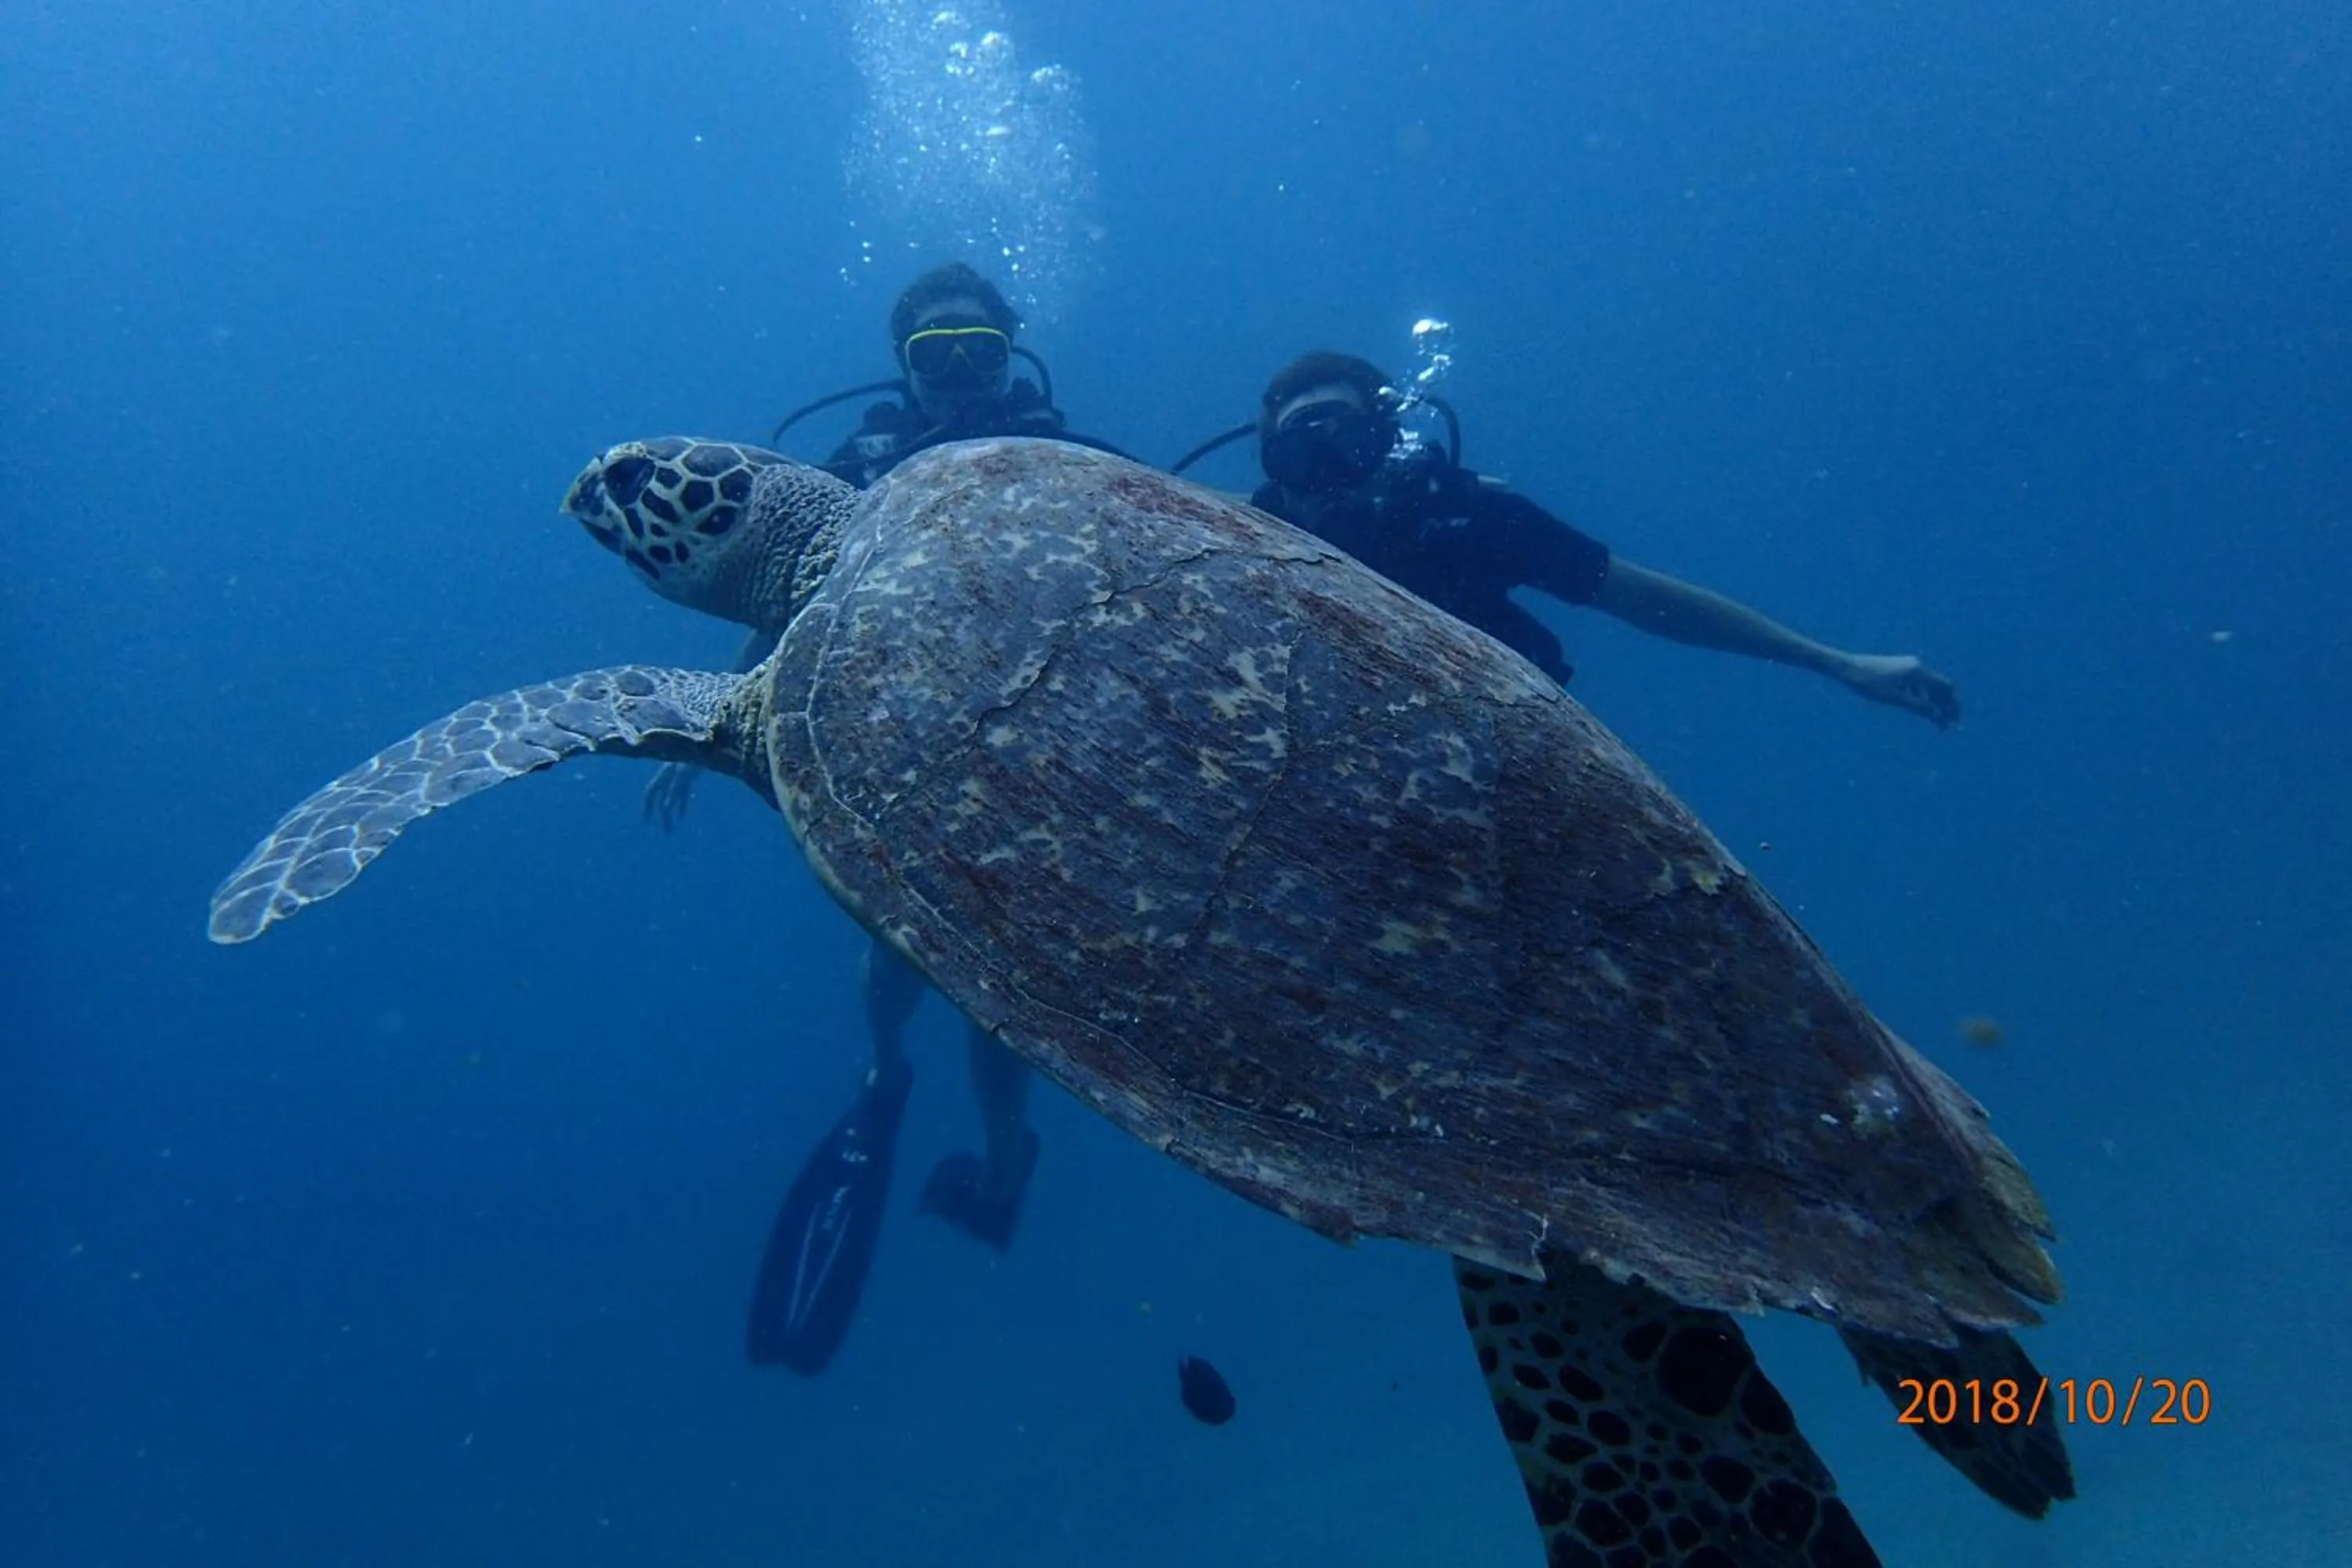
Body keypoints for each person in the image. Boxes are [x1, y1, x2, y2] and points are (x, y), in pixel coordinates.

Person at [650, 263, 1128, 1376]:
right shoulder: (857, 473)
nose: (960, 381)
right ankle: (887, 1076)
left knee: (999, 990)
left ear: (1011, 358)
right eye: (935, 360)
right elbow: (779, 591)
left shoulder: (1076, 459)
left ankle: (1007, 1153)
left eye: (979, 356)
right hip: (904, 748)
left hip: (1050, 755)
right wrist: (706, 712)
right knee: (892, 966)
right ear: (902, 370)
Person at [1205, 351, 1961, 725]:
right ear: (1276, 467)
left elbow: (1646, 600)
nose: (1331, 473)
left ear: (1390, 440)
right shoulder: (1234, 531)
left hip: (1500, 756)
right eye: (1303, 453)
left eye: (1350, 442)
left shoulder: (1472, 522)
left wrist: (1834, 661)